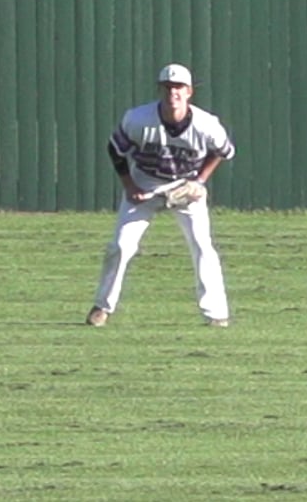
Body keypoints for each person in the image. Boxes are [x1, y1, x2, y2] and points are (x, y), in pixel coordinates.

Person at [87, 63, 236, 328]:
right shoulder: (138, 119)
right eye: (167, 87)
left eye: (178, 87)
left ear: (189, 92)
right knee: (121, 246)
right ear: (160, 89)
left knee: (202, 245)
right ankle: (102, 307)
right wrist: (130, 186)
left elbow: (222, 151)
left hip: (185, 186)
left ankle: (216, 313)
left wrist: (199, 181)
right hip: (145, 182)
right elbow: (115, 150)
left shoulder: (206, 125)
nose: (172, 93)